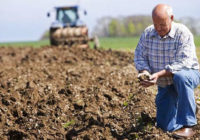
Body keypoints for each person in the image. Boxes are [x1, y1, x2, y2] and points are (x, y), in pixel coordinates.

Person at [134, 4, 200, 138]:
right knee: (165, 126)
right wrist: (145, 72)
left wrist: (158, 74)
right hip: (165, 83)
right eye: (155, 24)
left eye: (162, 24)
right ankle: (186, 108)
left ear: (171, 18)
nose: (158, 28)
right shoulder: (148, 33)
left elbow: (183, 63)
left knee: (181, 77)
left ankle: (188, 125)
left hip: (188, 75)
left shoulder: (182, 33)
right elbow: (139, 56)